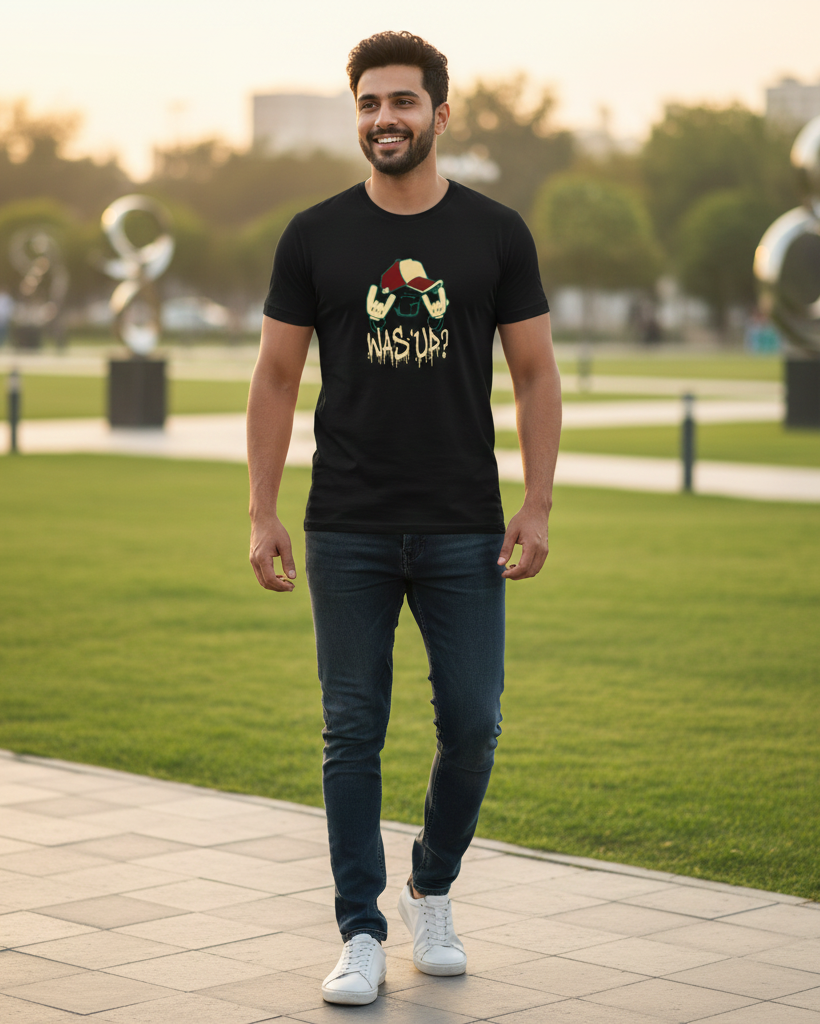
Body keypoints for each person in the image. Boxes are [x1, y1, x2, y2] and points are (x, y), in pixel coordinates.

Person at [247, 30, 562, 1007]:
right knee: (352, 729)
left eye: (402, 102)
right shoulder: (314, 234)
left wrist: (538, 501)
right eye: (369, 104)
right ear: (357, 115)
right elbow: (275, 375)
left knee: (473, 724)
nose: (384, 119)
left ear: (440, 112)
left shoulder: (496, 232)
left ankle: (430, 882)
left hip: (464, 522)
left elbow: (536, 372)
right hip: (345, 524)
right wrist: (261, 510)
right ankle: (358, 929)